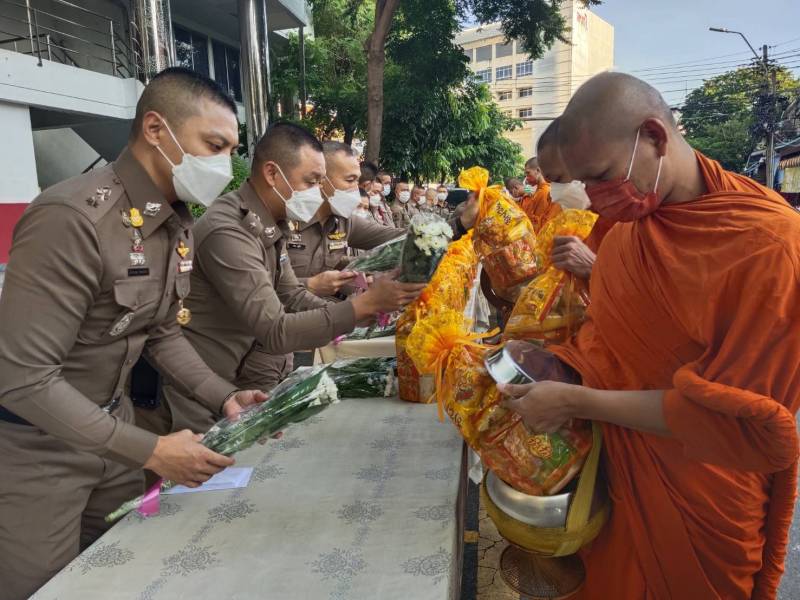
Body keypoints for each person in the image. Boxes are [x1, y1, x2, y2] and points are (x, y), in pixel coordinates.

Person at [501, 72, 800, 599]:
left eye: (600, 176)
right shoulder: (632, 219)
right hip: (615, 474)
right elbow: (614, 337)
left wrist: (576, 399)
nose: (593, 199)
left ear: (655, 138)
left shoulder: (769, 246)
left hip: (699, 495)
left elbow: (743, 425)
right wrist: (550, 363)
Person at [0, 68, 267, 600]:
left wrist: (225, 395)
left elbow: (161, 332)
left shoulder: (172, 221)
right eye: (213, 145)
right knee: (44, 588)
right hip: (40, 450)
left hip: (115, 436)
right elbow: (24, 378)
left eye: (231, 150)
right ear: (154, 129)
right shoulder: (73, 218)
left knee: (118, 574)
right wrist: (151, 451)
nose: (223, 165)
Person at [142, 123, 426, 435]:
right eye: (312, 181)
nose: (319, 192)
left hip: (244, 381)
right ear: (273, 175)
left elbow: (291, 294)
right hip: (202, 389)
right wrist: (362, 307)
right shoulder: (229, 231)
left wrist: (365, 314)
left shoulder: (270, 224)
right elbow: (275, 328)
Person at [282, 141, 403, 299]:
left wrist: (436, 233)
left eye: (357, 181)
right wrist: (309, 285)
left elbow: (396, 237)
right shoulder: (285, 218)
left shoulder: (344, 222)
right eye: (350, 180)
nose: (356, 189)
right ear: (320, 179)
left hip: (329, 315)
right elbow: (259, 285)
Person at [519, 156, 561, 232]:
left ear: (538, 170)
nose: (527, 177)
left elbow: (539, 222)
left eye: (528, 173)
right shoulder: (538, 191)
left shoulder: (545, 192)